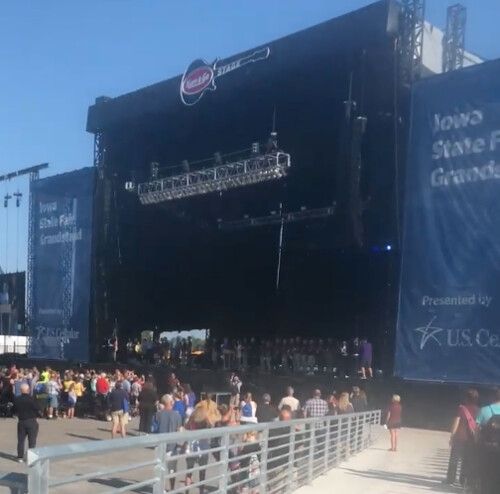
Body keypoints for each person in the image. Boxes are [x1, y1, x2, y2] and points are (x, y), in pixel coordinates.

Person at [445, 388, 479, 487]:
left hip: (459, 437)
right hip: (471, 439)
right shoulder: (479, 410)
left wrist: (452, 436)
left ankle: (450, 479)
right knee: (466, 460)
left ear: (466, 398)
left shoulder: (461, 408)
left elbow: (456, 422)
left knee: (454, 459)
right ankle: (462, 480)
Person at [156, 394, 183, 491]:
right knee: (172, 470)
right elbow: (179, 430)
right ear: (171, 402)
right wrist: (181, 445)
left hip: (161, 446)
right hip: (173, 447)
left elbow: (154, 429)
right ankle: (171, 489)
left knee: (160, 470)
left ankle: (161, 489)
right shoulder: (177, 415)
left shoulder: (158, 414)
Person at [13, 383, 41, 462]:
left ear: (21, 390)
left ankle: (20, 457)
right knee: (32, 440)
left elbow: (14, 410)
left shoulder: (17, 399)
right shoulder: (32, 399)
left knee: (21, 440)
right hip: (32, 421)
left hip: (21, 421)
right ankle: (31, 457)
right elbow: (38, 409)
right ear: (28, 390)